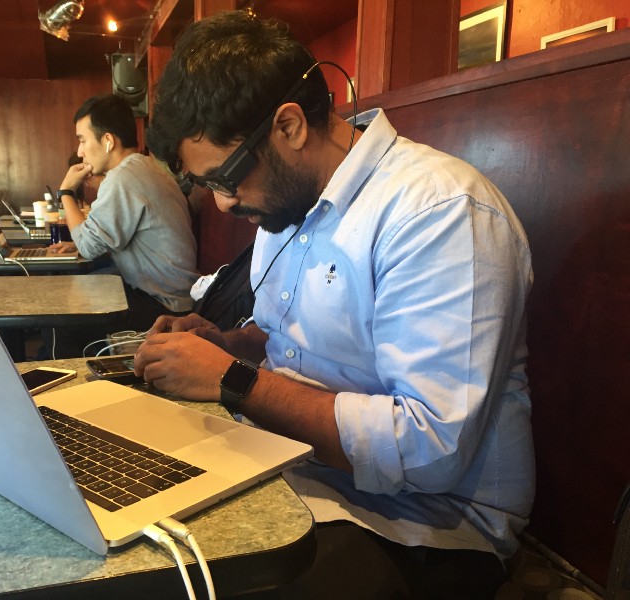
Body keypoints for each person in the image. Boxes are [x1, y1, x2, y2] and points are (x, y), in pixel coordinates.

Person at [134, 11, 534, 600]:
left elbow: (428, 452)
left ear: (290, 126)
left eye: (226, 179)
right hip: (299, 464)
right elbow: (284, 336)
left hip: (431, 523)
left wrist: (231, 380)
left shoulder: (440, 212)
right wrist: (229, 345)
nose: (221, 205)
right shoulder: (285, 203)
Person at [46, 94, 199, 358]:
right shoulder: (145, 166)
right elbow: (102, 237)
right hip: (174, 294)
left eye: (82, 140)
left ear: (108, 141)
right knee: (81, 290)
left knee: (66, 318)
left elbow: (88, 247)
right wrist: (79, 240)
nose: (80, 151)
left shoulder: (123, 178)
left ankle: (72, 393)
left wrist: (66, 192)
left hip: (163, 304)